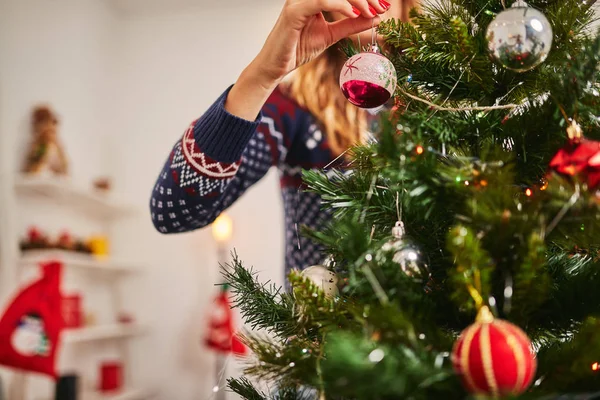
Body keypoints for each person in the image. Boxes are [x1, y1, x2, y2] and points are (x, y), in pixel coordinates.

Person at [150, 0, 418, 279]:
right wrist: (262, 75)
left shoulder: (451, 103)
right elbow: (174, 212)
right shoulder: (292, 109)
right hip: (323, 318)